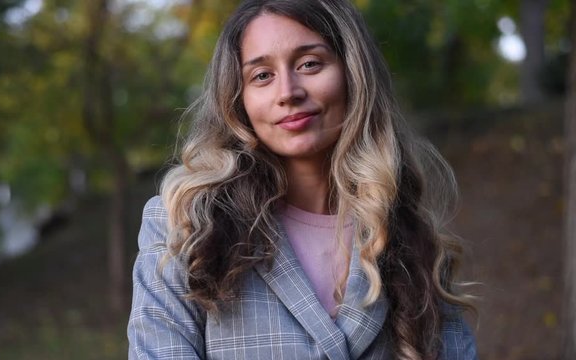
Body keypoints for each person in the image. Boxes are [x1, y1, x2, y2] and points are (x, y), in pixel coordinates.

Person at [128, 0, 477, 359]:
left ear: (352, 73)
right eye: (262, 75)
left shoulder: (411, 238)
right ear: (239, 99)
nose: (288, 92)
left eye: (309, 64)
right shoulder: (185, 226)